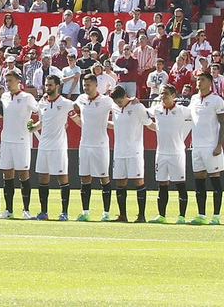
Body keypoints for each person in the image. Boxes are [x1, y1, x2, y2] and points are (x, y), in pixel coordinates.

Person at [72, 73, 115, 221]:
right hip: (84, 144)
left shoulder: (106, 101)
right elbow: (72, 107)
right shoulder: (81, 99)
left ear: (96, 85)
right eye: (84, 84)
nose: (86, 87)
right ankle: (85, 212)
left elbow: (121, 104)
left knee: (104, 178)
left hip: (100, 144)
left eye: (88, 84)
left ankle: (106, 213)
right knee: (85, 178)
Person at [0, 71, 38, 218]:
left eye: (10, 81)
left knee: (23, 173)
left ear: (18, 81)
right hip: (6, 140)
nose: (7, 84)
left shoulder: (27, 97)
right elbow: (1, 114)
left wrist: (36, 126)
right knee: (7, 174)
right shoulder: (4, 97)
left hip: (21, 140)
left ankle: (26, 210)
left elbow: (39, 111)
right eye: (6, 81)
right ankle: (8, 210)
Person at [33, 75, 76, 220]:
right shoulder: (42, 103)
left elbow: (78, 113)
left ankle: (64, 212)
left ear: (57, 86)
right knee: (43, 177)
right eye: (46, 85)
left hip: (59, 146)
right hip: (44, 145)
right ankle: (43, 212)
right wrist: (32, 128)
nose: (48, 87)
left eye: (50, 85)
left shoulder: (66, 103)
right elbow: (41, 122)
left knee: (62, 177)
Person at [188, 71, 224, 224]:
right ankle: (201, 214)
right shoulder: (194, 99)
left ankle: (216, 216)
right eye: (198, 79)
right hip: (196, 146)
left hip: (211, 146)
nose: (199, 82)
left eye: (202, 79)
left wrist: (219, 144)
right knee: (199, 180)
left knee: (215, 180)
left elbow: (223, 123)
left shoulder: (216, 100)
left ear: (210, 82)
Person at [149, 85, 193, 223]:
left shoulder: (181, 110)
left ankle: (181, 216)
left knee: (180, 185)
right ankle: (161, 216)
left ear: (174, 95)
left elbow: (198, 115)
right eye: (162, 93)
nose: (163, 96)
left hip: (177, 153)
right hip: (161, 153)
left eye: (166, 93)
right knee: (162, 185)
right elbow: (143, 114)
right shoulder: (156, 109)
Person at [109, 85, 152, 223]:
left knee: (138, 181)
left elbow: (149, 123)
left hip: (135, 150)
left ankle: (141, 216)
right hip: (119, 151)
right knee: (120, 182)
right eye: (116, 102)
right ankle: (122, 215)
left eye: (120, 102)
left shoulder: (137, 107)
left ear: (125, 96)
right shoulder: (114, 107)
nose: (118, 104)